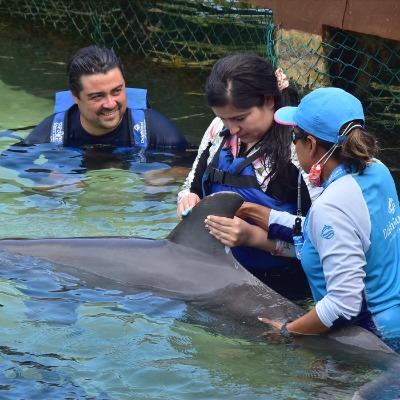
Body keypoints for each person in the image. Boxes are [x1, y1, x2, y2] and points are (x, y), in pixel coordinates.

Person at [259, 87, 400, 343]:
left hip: (372, 339)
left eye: (294, 137)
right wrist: (268, 219)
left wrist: (287, 331)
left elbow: (344, 303)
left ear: (311, 144)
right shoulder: (378, 171)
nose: (293, 144)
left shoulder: (331, 206)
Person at [176, 52, 317, 284]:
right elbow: (190, 185)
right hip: (218, 271)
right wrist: (187, 199)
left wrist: (253, 237)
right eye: (224, 119)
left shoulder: (299, 147)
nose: (232, 129)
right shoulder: (217, 131)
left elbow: (322, 240)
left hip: (284, 280)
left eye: (240, 118)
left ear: (269, 101)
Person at [23, 45, 188, 151]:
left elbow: (192, 172)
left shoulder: (159, 134)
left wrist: (165, 177)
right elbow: (11, 166)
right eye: (97, 96)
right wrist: (44, 183)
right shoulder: (53, 132)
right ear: (75, 96)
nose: (110, 104)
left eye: (116, 91)